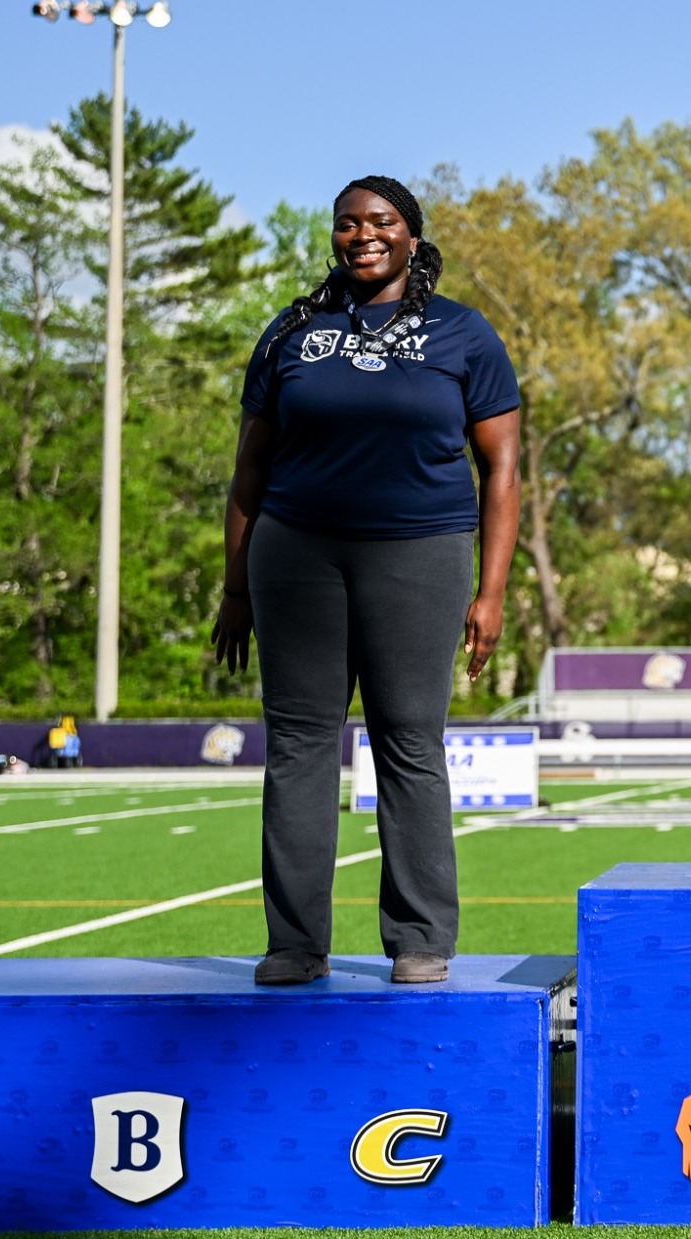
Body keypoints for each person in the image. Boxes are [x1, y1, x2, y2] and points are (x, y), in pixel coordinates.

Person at [212, 176, 521, 986]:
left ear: (412, 236)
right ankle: (294, 942)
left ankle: (420, 936)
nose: (363, 235)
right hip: (298, 553)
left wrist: (491, 592)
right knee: (300, 747)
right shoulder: (293, 329)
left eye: (381, 222)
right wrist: (235, 586)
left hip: (420, 552)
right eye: (348, 224)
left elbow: (504, 471)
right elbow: (249, 470)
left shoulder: (463, 334)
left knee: (409, 741)